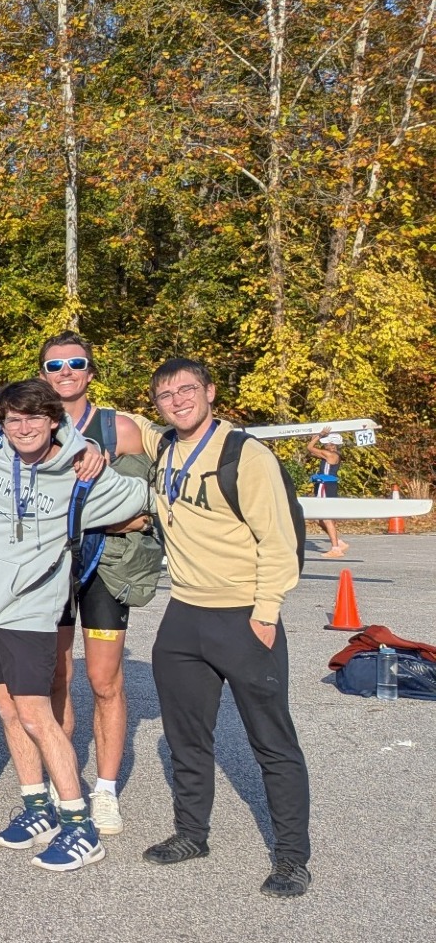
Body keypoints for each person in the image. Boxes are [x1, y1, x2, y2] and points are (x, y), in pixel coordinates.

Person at [0, 379, 148, 872]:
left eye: (35, 419)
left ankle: (80, 826)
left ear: (54, 422)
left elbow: (144, 500)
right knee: (6, 708)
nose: (23, 429)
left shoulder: (81, 473)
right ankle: (37, 807)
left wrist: (90, 454)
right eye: (13, 420)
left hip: (29, 611)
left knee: (37, 714)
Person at [144, 358, 311, 898]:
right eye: (167, 394)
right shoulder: (164, 447)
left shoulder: (246, 454)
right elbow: (102, 419)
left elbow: (279, 541)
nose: (178, 400)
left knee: (272, 742)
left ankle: (291, 859)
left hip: (243, 615)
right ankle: (192, 834)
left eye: (188, 389)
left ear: (211, 392)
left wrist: (266, 613)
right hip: (183, 614)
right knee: (186, 738)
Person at [38, 330, 144, 834]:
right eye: (55, 366)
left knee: (104, 682)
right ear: (43, 375)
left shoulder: (117, 428)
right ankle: (66, 785)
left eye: (75, 363)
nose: (66, 373)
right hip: (50, 569)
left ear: (90, 370)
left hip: (103, 568)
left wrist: (95, 515)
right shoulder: (33, 426)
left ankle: (104, 791)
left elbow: (145, 509)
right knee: (57, 679)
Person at [304, 429, 348, 558]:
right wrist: (315, 437)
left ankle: (336, 548)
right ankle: (338, 542)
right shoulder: (330, 454)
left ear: (332, 444)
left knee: (326, 517)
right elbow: (312, 452)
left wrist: (319, 436)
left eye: (326, 443)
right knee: (318, 517)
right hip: (325, 485)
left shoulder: (330, 455)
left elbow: (310, 447)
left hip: (325, 486)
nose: (324, 445)